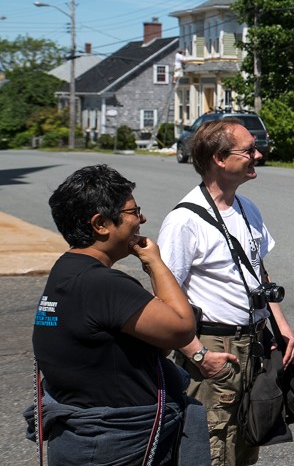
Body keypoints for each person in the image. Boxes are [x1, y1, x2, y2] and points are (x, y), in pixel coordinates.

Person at [29, 164, 202, 465]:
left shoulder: (67, 269)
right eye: (134, 211)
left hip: (81, 437)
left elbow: (156, 341)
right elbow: (181, 329)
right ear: (101, 224)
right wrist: (154, 262)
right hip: (114, 445)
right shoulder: (104, 284)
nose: (142, 219)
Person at [159, 118, 294, 466]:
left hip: (252, 343)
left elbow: (259, 270)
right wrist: (197, 355)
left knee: (246, 443)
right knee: (213, 446)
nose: (258, 154)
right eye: (248, 149)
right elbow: (165, 297)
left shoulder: (247, 208)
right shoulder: (184, 221)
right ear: (219, 159)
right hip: (214, 346)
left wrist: (279, 325)